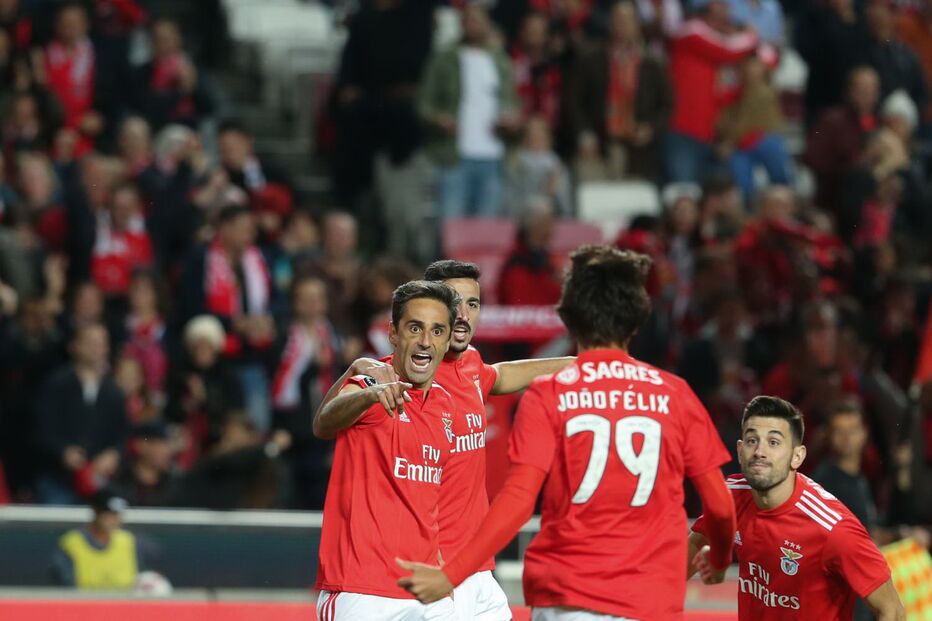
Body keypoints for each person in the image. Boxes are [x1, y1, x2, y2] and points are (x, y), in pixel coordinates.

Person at [398, 246, 737, 620]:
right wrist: (720, 560)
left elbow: (519, 499)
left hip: (566, 594)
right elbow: (721, 507)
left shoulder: (549, 393)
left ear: (568, 318)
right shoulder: (675, 393)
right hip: (649, 598)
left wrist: (451, 575)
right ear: (638, 320)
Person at [322, 258, 576, 620]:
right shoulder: (400, 374)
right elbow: (329, 421)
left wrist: (581, 364)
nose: (463, 315)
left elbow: (498, 376)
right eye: (454, 303)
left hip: (474, 569)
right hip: (422, 571)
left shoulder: (469, 366)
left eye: (473, 304)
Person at [312, 280, 460, 620]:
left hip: (428, 592)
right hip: (361, 591)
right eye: (415, 328)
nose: (426, 341)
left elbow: (429, 504)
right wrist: (368, 396)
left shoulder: (446, 405)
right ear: (393, 333)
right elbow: (324, 422)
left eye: (437, 331)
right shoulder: (372, 383)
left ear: (447, 339)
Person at [687, 396, 905, 620]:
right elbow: (691, 548)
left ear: (797, 456)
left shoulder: (832, 528)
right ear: (740, 451)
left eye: (773, 442)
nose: (760, 451)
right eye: (752, 440)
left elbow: (893, 611)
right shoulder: (732, 496)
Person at [51, 490, 144, 589]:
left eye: (118, 515)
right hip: (83, 599)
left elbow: (142, 577)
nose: (115, 520)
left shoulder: (128, 540)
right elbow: (65, 584)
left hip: (123, 599)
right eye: (109, 514)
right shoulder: (72, 543)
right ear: (95, 511)